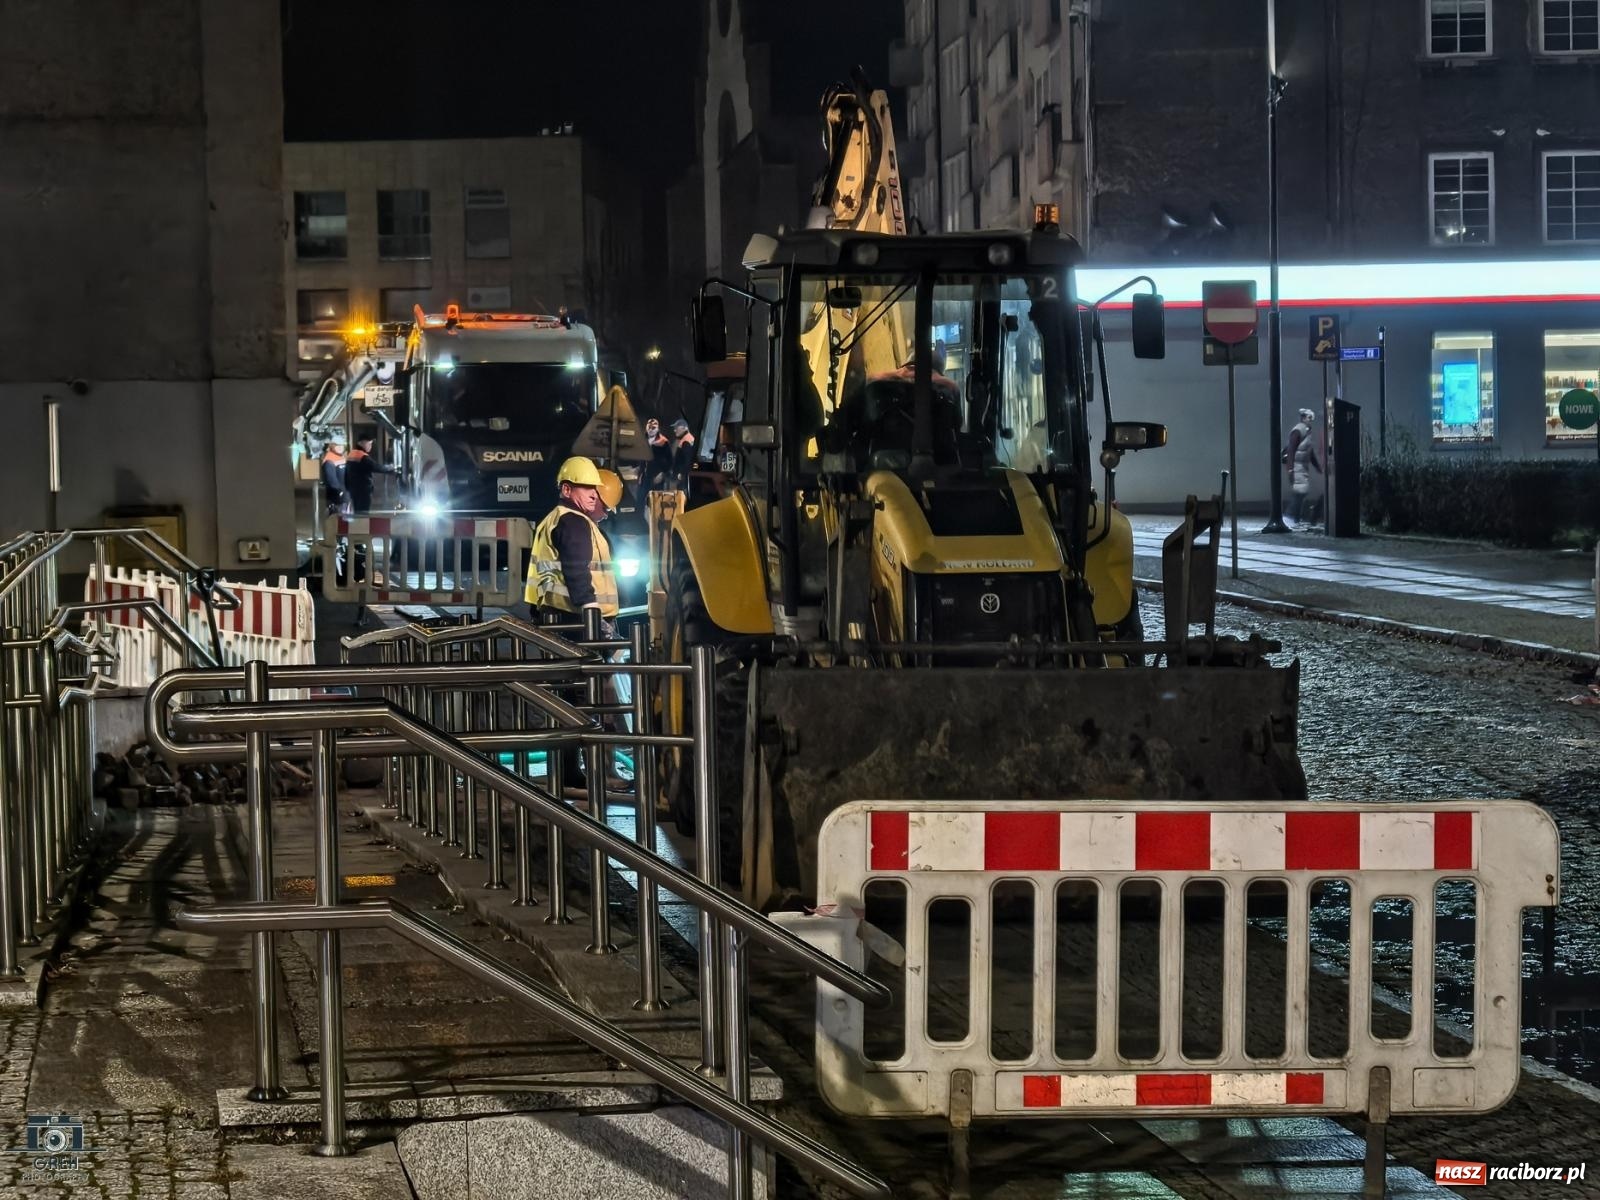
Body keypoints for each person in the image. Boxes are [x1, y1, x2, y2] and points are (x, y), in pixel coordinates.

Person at [525, 457, 622, 791]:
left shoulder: (556, 519)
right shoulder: (574, 523)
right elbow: (578, 574)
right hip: (579, 624)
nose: (594, 494)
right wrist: (595, 618)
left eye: (594, 487)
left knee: (566, 701)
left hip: (559, 622)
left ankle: (570, 772)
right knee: (593, 700)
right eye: (585, 487)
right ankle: (601, 774)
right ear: (568, 489)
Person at [1283, 406, 1324, 526]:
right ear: (1303, 418)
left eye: (1312, 418)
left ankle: (1295, 518)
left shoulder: (1306, 431)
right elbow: (1291, 450)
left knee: (1301, 492)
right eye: (1309, 417)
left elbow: (1309, 452)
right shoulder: (1298, 431)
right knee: (1300, 491)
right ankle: (1289, 516)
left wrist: (1317, 466)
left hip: (1301, 466)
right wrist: (1290, 469)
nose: (1311, 420)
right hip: (1297, 466)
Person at [343, 436, 398, 515]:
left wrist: (348, 488)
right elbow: (375, 467)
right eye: (369, 444)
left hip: (353, 490)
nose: (370, 446)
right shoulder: (362, 456)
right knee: (363, 513)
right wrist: (390, 468)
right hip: (363, 490)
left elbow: (346, 473)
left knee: (357, 512)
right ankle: (362, 526)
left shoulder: (352, 454)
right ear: (362, 443)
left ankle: (357, 526)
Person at [320, 440, 347, 515]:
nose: (340, 448)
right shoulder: (329, 460)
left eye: (342, 445)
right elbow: (332, 481)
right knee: (337, 520)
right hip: (336, 498)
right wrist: (339, 492)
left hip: (343, 496)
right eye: (338, 445)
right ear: (332, 446)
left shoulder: (341, 457)